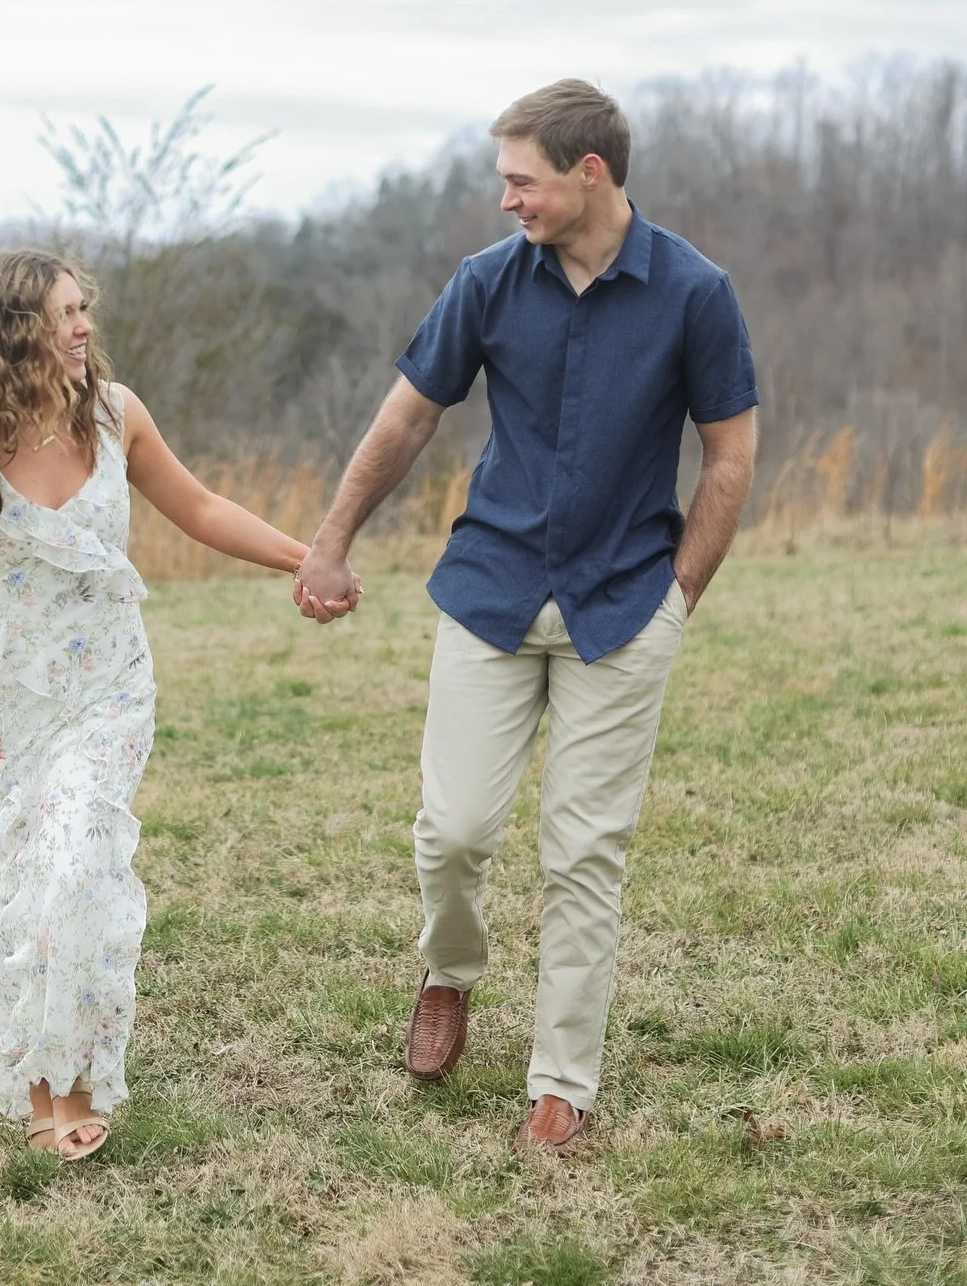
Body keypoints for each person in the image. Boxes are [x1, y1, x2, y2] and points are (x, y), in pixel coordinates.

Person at [293, 80, 757, 1151]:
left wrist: (678, 599)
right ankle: (449, 969)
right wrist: (331, 540)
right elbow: (409, 418)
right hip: (492, 591)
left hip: (624, 605)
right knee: (451, 834)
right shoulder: (487, 284)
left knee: (584, 851)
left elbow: (730, 454)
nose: (506, 200)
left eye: (522, 180)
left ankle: (562, 1087)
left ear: (589, 173)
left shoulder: (695, 292)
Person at [0, 248, 333, 1159]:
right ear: (13, 331)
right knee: (26, 890)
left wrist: (305, 557)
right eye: (63, 314)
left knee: (80, 862)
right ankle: (40, 1077)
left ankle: (70, 1086)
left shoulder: (116, 416)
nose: (84, 326)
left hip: (106, 694)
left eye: (83, 309)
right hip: (6, 704)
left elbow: (200, 506)